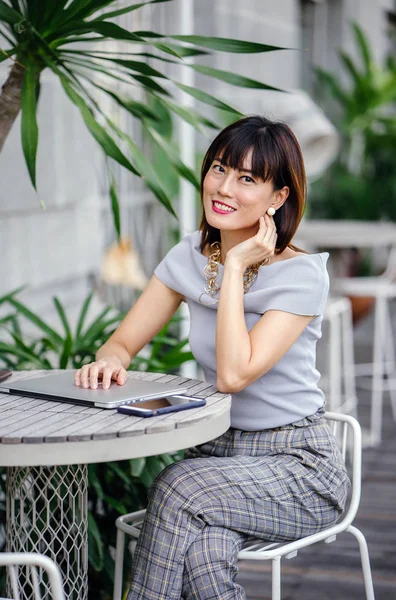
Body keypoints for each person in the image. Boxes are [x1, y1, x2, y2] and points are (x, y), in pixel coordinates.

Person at [75, 116, 350, 599]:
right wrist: (110, 361)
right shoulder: (188, 256)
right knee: (203, 552)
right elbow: (119, 343)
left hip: (299, 468)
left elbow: (233, 374)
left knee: (179, 487)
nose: (224, 187)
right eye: (219, 169)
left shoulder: (302, 275)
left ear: (278, 198)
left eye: (247, 179)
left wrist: (237, 266)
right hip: (217, 456)